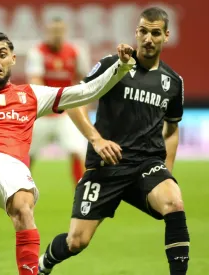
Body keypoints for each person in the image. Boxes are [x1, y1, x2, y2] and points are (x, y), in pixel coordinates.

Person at [0, 31, 135, 275]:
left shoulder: (31, 95)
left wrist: (121, 68)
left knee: (24, 210)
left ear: (13, 59)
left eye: (2, 55)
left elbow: (85, 92)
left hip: (12, 167)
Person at [38, 7, 190, 275]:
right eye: (143, 31)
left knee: (174, 202)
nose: (148, 39)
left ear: (166, 36)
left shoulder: (173, 82)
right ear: (136, 32)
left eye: (156, 33)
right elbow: (75, 102)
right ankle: (44, 264)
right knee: (77, 241)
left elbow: (173, 128)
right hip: (106, 167)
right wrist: (96, 140)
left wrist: (166, 171)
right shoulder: (114, 66)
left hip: (146, 164)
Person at [25, 17, 90, 187]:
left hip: (67, 114)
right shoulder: (37, 52)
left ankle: (82, 193)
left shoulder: (75, 52)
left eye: (60, 31)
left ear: (65, 32)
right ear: (47, 32)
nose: (57, 35)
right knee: (27, 155)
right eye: (53, 31)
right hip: (43, 113)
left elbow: (83, 81)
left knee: (78, 151)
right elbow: (36, 83)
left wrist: (81, 105)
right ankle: (19, 191)